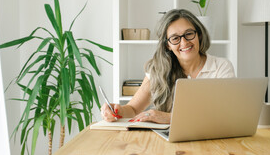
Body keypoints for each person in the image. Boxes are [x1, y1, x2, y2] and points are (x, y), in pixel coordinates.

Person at [100, 9, 235, 124]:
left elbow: (225, 114)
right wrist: (117, 110)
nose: (184, 42)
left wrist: (169, 118)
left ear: (199, 35)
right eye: (175, 38)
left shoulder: (221, 67)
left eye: (189, 34)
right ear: (167, 45)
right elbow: (133, 109)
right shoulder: (158, 70)